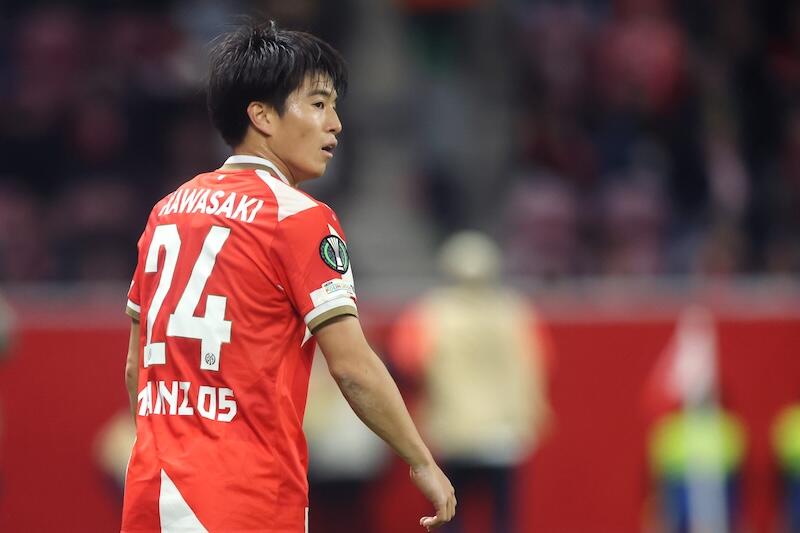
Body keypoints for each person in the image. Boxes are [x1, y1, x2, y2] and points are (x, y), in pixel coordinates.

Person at [121, 19, 455, 533]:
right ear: (262, 116)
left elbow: (135, 366)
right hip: (241, 496)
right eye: (318, 104)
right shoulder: (298, 217)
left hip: (150, 486)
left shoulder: (166, 211)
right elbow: (351, 366)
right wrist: (420, 459)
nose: (335, 124)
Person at [390, 231, 552, 533]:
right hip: (504, 431)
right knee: (503, 514)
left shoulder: (428, 313)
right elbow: (538, 366)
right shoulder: (515, 311)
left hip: (453, 429)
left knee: (449, 512)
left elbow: (407, 363)